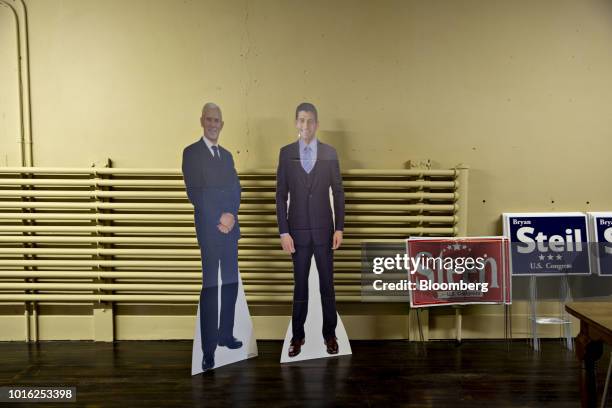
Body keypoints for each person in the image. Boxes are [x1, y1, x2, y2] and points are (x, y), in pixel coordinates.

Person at [275, 102, 345, 357]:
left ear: (316, 124)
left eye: (310, 121)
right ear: (296, 122)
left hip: (325, 231)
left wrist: (339, 228)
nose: (305, 126)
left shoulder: (329, 152)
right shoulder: (285, 153)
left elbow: (338, 192)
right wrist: (284, 231)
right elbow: (281, 195)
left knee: (327, 285)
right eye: (301, 120)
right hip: (298, 233)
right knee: (300, 286)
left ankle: (330, 335)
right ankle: (297, 337)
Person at [182, 102, 242, 372]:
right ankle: (208, 350)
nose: (213, 124)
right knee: (211, 287)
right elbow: (196, 193)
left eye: (217, 120)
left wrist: (231, 214)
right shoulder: (191, 153)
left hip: (230, 229)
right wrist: (221, 217)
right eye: (209, 119)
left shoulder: (227, 156)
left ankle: (225, 335)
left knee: (230, 283)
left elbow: (235, 188)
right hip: (209, 230)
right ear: (202, 121)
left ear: (222, 124)